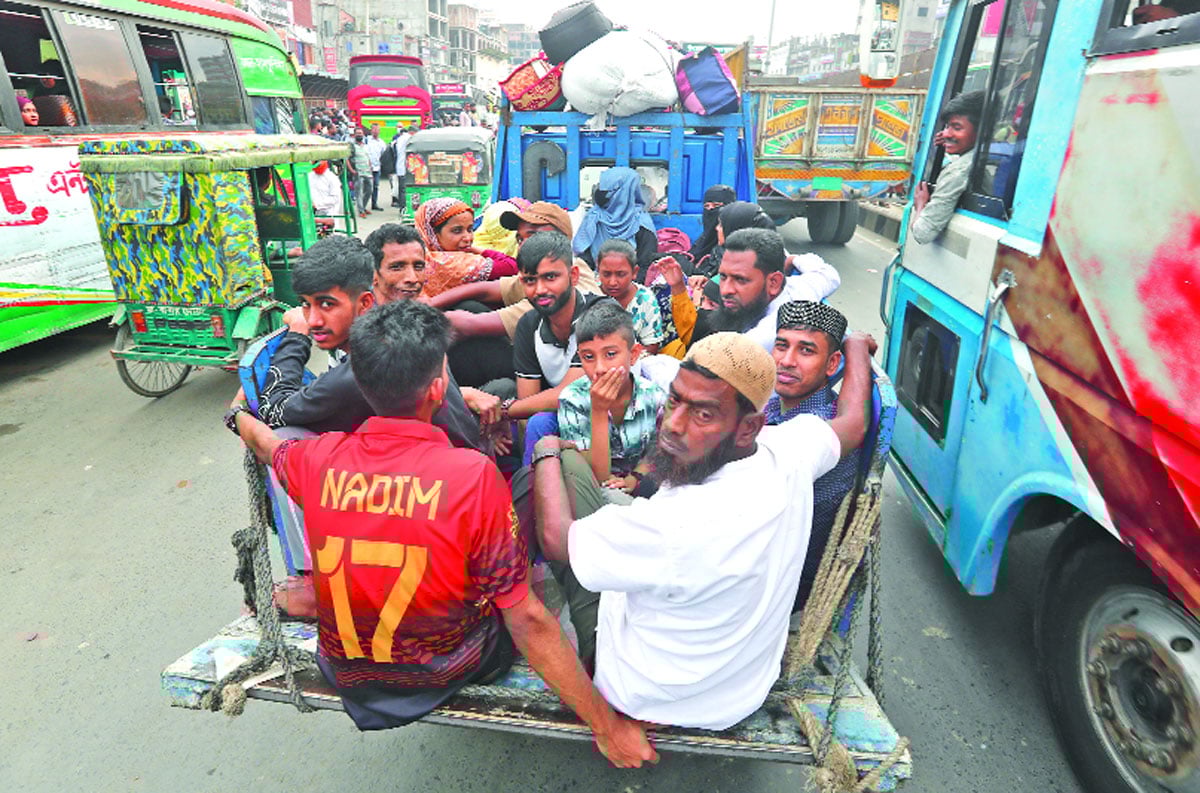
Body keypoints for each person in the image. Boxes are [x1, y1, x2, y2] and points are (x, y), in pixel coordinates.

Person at [225, 301, 656, 766]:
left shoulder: (316, 459)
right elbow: (526, 620)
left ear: (364, 389)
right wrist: (606, 727)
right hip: (452, 666)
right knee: (531, 488)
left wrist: (236, 413)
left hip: (346, 672)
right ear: (437, 389)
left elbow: (265, 442)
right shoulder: (470, 475)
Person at [531, 330, 876, 729]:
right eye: (675, 400)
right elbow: (852, 423)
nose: (673, 425)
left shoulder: (673, 526)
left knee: (564, 473)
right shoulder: (789, 450)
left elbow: (556, 539)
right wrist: (856, 349)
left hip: (646, 697)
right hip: (741, 692)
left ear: (749, 427)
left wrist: (545, 449)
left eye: (703, 414)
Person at [254, 231, 484, 450]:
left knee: (286, 435)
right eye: (305, 304)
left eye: (326, 304)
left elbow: (273, 410)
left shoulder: (366, 366)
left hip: (441, 478)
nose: (313, 320)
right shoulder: (405, 326)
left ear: (365, 303)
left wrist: (296, 336)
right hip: (461, 458)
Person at [767, 300, 861, 608]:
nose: (787, 361)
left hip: (780, 581)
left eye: (806, 351)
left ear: (832, 364)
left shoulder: (821, 429)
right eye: (781, 346)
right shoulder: (775, 406)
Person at [506, 231, 605, 462]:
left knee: (537, 420)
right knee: (532, 421)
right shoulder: (528, 325)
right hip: (560, 419)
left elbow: (568, 394)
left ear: (574, 275)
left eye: (550, 277)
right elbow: (527, 406)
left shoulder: (600, 315)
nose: (540, 289)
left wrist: (503, 412)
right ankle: (526, 485)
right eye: (531, 280)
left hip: (611, 417)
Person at [674, 228, 841, 353]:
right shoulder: (798, 288)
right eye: (724, 277)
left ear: (774, 283)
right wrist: (792, 260)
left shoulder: (761, 339)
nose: (726, 290)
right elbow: (829, 275)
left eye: (740, 280)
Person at [556, 300, 665, 489]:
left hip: (642, 485)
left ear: (633, 355)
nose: (599, 368)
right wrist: (598, 411)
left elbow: (660, 450)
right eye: (588, 357)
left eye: (610, 354)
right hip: (595, 493)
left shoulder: (654, 397)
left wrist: (635, 478)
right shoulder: (572, 400)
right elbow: (596, 478)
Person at [910, 91, 983, 245]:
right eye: (946, 126)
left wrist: (920, 204)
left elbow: (922, 233)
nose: (946, 134)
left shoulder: (957, 172)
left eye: (956, 127)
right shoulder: (981, 158)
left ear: (981, 131)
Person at [413, 198, 519, 297]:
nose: (468, 238)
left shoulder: (417, 256)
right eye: (457, 231)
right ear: (433, 234)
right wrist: (479, 250)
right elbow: (512, 267)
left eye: (470, 229)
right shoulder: (453, 263)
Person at [573, 167, 658, 275]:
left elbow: (646, 265)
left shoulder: (641, 223)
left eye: (610, 189)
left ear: (626, 191)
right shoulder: (594, 217)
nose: (602, 192)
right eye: (602, 187)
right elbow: (583, 259)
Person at [595, 239, 663, 355]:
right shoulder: (591, 294)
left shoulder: (645, 300)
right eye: (606, 274)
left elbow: (651, 347)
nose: (612, 282)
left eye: (621, 274)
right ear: (598, 269)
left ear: (634, 272)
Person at [693, 201, 775, 278]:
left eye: (721, 225)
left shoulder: (747, 272)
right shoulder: (720, 253)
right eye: (707, 206)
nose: (716, 228)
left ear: (736, 229)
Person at [689, 184, 736, 265]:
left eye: (716, 205)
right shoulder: (703, 240)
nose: (710, 209)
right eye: (706, 206)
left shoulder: (735, 247)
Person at [349, 127, 372, 218]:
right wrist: (351, 170)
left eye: (361, 133)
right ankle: (361, 210)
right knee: (358, 192)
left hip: (367, 172)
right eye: (357, 133)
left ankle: (364, 206)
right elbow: (347, 159)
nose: (359, 135)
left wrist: (370, 167)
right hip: (358, 172)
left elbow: (368, 157)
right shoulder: (352, 146)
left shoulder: (365, 146)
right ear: (354, 135)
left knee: (369, 190)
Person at [389, 125, 413, 212]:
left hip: (400, 167)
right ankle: (404, 207)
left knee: (401, 189)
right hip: (404, 167)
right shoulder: (408, 138)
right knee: (404, 189)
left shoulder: (398, 139)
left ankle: (402, 207)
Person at [366, 123, 387, 211]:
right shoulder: (366, 140)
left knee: (375, 186)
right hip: (366, 168)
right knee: (367, 187)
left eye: (377, 129)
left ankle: (374, 204)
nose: (375, 131)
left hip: (377, 168)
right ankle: (363, 206)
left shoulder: (381, 143)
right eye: (374, 129)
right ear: (371, 130)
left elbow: (384, 155)